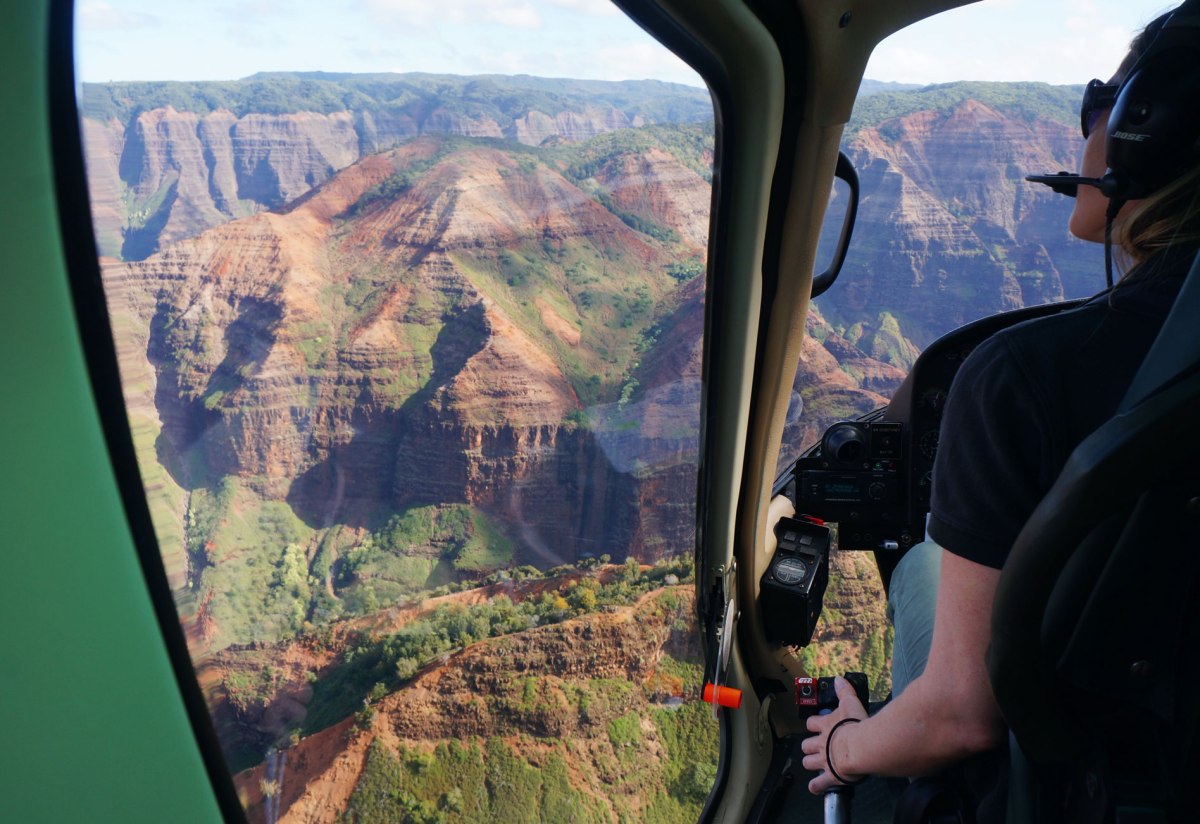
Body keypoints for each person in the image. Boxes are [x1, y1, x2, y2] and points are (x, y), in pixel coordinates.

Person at [800, 4, 1200, 817]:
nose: (1084, 135)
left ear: (1142, 132)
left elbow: (960, 718)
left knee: (920, 566)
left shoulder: (1016, 377)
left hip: (1089, 788)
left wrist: (844, 748)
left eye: (1101, 107)